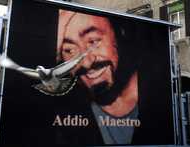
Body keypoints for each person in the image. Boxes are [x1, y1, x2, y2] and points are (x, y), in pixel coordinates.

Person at [56, 10, 140, 144]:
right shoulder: (68, 113)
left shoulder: (158, 93)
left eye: (93, 41)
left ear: (120, 34)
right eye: (70, 50)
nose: (86, 62)